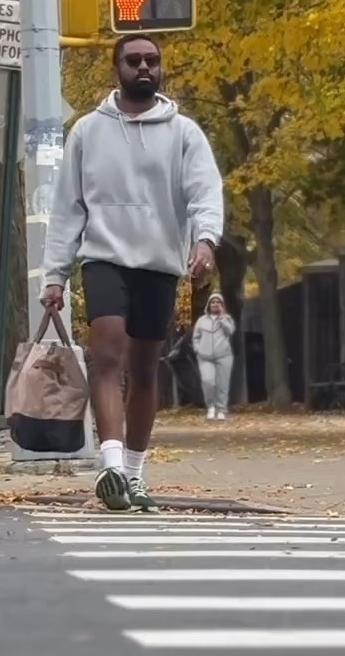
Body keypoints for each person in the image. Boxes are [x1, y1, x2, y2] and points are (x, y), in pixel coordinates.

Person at [39, 33, 224, 511]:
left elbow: (205, 193)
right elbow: (68, 209)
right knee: (106, 357)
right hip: (103, 258)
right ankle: (112, 465)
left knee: (144, 372)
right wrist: (55, 275)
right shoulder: (87, 131)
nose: (144, 67)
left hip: (159, 264)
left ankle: (135, 475)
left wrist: (204, 240)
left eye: (152, 60)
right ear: (116, 68)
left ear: (160, 69)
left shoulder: (184, 132)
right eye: (133, 60)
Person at [193, 292, 236, 420]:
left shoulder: (227, 318)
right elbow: (196, 337)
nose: (215, 304)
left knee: (223, 384)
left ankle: (222, 409)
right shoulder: (201, 320)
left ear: (222, 305)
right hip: (205, 357)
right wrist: (197, 349)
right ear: (209, 305)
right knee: (208, 382)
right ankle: (211, 407)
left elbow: (230, 331)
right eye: (213, 302)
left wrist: (222, 317)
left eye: (218, 302)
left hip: (224, 356)